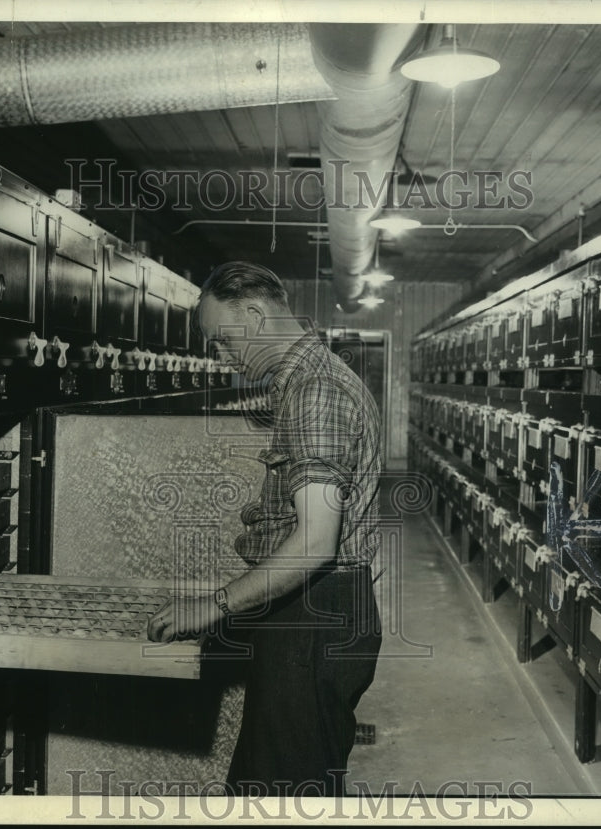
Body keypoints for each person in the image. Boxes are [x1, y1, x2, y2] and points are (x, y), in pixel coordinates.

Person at [147, 261, 383, 797]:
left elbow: (316, 542)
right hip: (310, 612)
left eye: (223, 340)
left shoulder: (315, 389)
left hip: (314, 614)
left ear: (254, 314)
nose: (221, 357)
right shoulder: (306, 380)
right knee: (274, 786)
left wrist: (216, 605)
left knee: (288, 795)